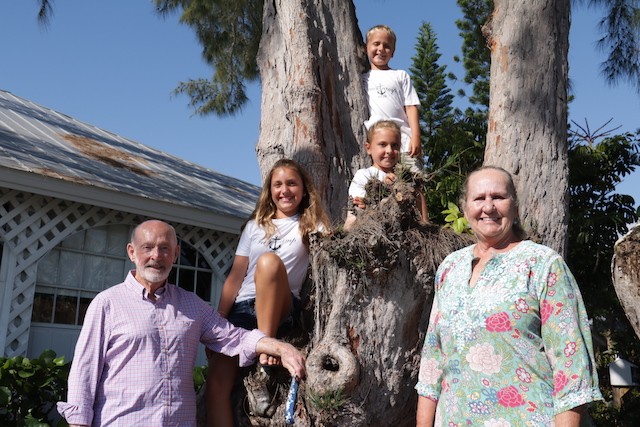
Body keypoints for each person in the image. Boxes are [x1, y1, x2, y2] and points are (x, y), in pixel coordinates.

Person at [56, 220, 305, 427]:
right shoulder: (107, 303)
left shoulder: (191, 305)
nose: (156, 256)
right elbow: (85, 370)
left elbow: (233, 337)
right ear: (132, 252)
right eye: (148, 248)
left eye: (165, 248)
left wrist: (280, 348)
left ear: (175, 254)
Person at [415, 166, 602, 426]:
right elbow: (433, 360)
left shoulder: (542, 264)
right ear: (465, 208)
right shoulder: (450, 267)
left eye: (498, 197)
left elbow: (571, 366)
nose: (488, 207)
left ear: (514, 206)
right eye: (479, 198)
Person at [207, 159, 330, 427]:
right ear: (270, 190)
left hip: (280, 305)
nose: (284, 190)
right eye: (278, 185)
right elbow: (235, 277)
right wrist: (219, 320)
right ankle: (263, 344)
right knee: (217, 381)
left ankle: (267, 343)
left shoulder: (312, 224)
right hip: (243, 309)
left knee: (268, 262)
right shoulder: (254, 227)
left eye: (292, 183)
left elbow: (337, 248)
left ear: (304, 189)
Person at [363, 24, 428, 221]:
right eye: (376, 44)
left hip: (404, 140)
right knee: (383, 183)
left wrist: (416, 136)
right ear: (366, 47)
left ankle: (424, 222)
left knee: (413, 180)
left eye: (387, 46)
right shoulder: (362, 79)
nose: (381, 49)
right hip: (378, 142)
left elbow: (411, 107)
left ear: (393, 52)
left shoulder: (400, 76)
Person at [344, 120, 426, 230]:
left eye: (394, 145)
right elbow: (358, 210)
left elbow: (422, 218)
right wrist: (385, 190)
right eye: (382, 144)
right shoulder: (363, 175)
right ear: (368, 148)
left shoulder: (408, 179)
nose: (389, 150)